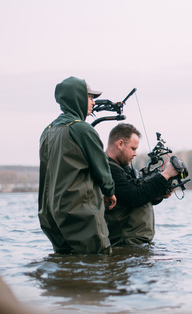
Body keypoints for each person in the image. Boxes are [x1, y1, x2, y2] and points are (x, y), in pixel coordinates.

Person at [38, 76, 117, 254]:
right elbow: (101, 168)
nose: (93, 103)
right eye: (89, 97)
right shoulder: (82, 129)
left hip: (51, 213)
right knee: (98, 262)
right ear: (77, 98)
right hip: (81, 212)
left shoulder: (47, 131)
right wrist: (110, 192)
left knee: (65, 266)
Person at [104, 123, 180, 246]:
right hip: (123, 243)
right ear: (120, 144)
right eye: (133, 149)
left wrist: (158, 196)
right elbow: (134, 197)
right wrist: (165, 175)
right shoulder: (108, 169)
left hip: (134, 242)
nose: (135, 154)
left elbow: (136, 195)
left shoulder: (122, 167)